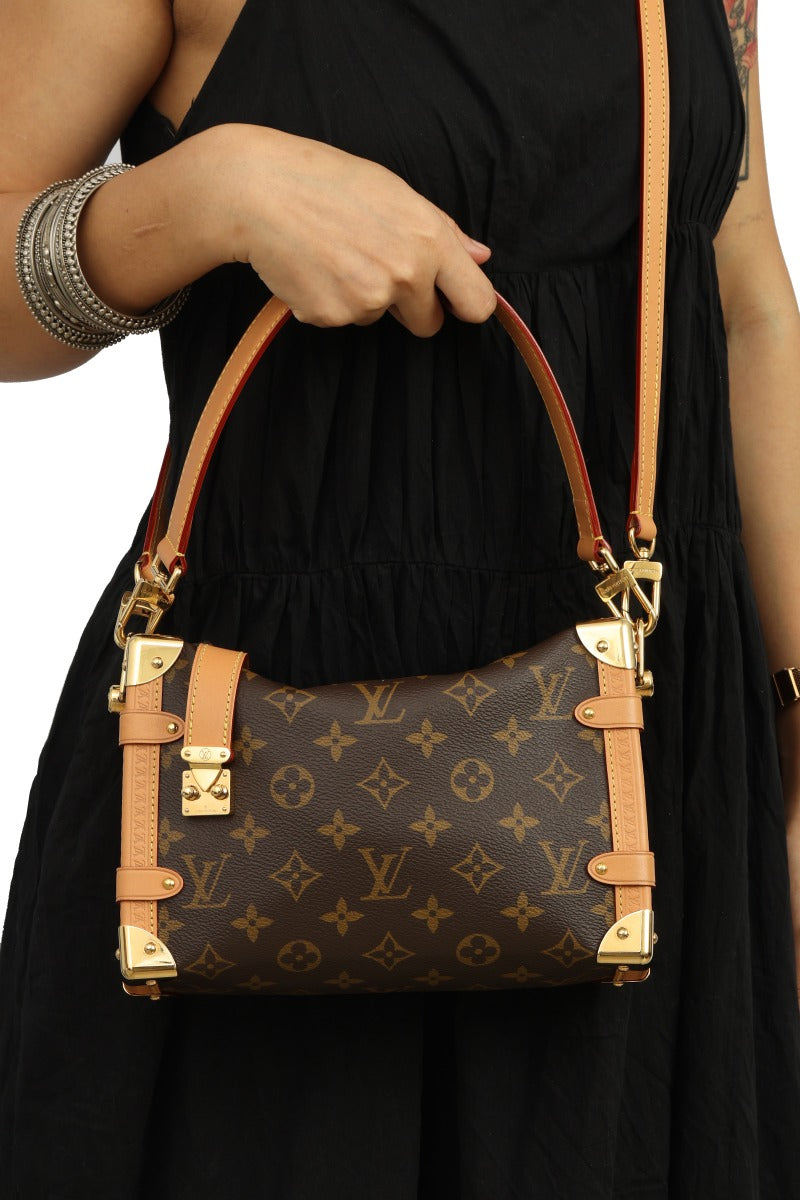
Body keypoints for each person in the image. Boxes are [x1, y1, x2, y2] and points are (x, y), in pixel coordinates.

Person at [1, 0, 799, 1195]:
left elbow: (741, 301)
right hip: (254, 797)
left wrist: (798, 727)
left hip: (648, 757)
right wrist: (214, 193)